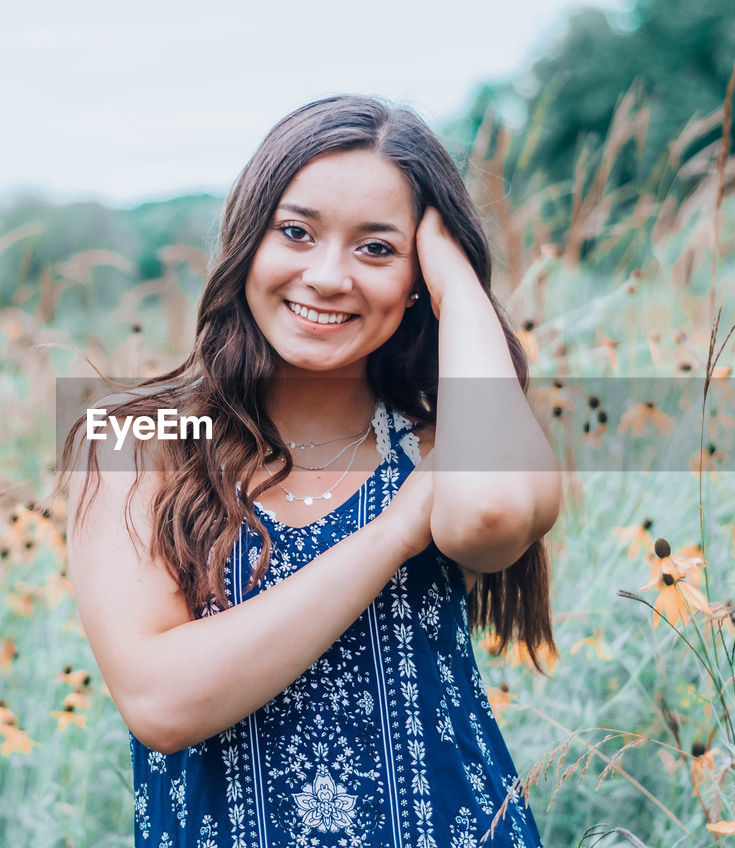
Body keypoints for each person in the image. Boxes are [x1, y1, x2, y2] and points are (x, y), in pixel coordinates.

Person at [56, 93, 562, 848]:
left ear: (417, 277)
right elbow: (160, 701)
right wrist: (390, 534)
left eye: (377, 249)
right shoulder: (140, 440)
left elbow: (488, 516)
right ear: (245, 241)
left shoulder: (443, 440)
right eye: (295, 232)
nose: (327, 277)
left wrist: (459, 288)